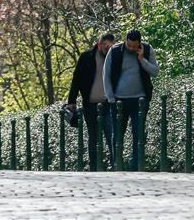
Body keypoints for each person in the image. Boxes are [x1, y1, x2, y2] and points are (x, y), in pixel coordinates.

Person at [103, 29, 158, 171]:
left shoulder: (147, 50)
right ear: (125, 41)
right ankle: (117, 165)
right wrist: (110, 98)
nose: (132, 48)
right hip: (118, 101)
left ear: (139, 43)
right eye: (129, 45)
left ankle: (136, 166)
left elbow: (155, 71)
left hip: (140, 100)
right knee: (118, 134)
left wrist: (142, 59)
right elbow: (106, 74)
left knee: (138, 134)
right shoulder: (115, 51)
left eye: (135, 46)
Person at [66, 33, 116, 171]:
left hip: (108, 104)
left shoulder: (114, 57)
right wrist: (72, 100)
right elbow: (76, 79)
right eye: (106, 47)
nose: (109, 50)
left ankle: (116, 165)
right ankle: (94, 168)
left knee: (111, 134)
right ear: (99, 45)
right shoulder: (86, 57)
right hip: (90, 104)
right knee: (93, 137)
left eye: (111, 47)